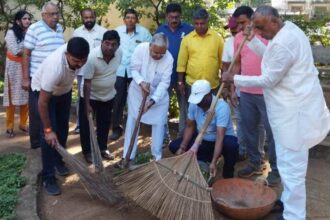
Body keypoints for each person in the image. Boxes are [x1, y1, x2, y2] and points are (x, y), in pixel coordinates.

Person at [222, 5, 330, 220]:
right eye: (257, 29)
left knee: (292, 172)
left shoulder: (284, 42)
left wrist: (235, 78)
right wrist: (252, 40)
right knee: (287, 165)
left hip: (295, 118)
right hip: (287, 116)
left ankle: (293, 216)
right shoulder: (287, 30)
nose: (260, 33)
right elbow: (270, 55)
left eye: (261, 28)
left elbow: (269, 79)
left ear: (273, 21)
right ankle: (288, 203)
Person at [31, 37, 89, 196]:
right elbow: (42, 103)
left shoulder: (79, 55)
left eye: (83, 60)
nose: (80, 64)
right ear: (67, 54)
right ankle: (48, 177)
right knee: (49, 137)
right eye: (76, 61)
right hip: (44, 93)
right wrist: (48, 129)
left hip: (63, 91)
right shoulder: (54, 67)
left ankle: (58, 161)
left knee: (62, 130)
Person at [231, 6, 279, 184]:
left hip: (268, 93)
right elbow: (236, 65)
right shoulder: (238, 38)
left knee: (273, 132)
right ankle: (255, 162)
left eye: (243, 22)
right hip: (245, 92)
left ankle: (276, 169)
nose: (241, 27)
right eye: (239, 23)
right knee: (250, 130)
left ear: (253, 20)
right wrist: (233, 90)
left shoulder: (268, 37)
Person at [169, 80, 238, 178]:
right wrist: (182, 147)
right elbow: (190, 126)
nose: (198, 103)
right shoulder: (194, 104)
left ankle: (227, 171)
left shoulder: (222, 107)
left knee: (231, 145)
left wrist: (214, 162)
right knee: (174, 146)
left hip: (221, 141)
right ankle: (203, 161)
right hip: (203, 140)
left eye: (201, 99)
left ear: (209, 94)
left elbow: (220, 136)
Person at [121, 33, 173, 163]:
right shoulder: (140, 49)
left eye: (162, 54)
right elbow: (134, 69)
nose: (158, 56)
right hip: (137, 93)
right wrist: (141, 82)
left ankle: (156, 158)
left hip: (158, 98)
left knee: (159, 125)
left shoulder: (169, 59)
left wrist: (151, 101)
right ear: (150, 46)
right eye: (155, 52)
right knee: (132, 121)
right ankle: (128, 156)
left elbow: (165, 83)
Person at [22, 1, 65, 149]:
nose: (55, 17)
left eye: (57, 13)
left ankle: (51, 145)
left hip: (54, 79)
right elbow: (26, 55)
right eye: (52, 14)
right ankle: (36, 145)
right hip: (38, 78)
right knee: (37, 113)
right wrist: (25, 78)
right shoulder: (34, 29)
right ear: (43, 15)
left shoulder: (59, 28)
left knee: (50, 113)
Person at [79, 30, 122, 163]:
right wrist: (86, 104)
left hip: (108, 96)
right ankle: (87, 152)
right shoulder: (91, 57)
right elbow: (87, 82)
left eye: (113, 44)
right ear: (102, 43)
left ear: (118, 45)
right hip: (90, 97)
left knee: (104, 124)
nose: (109, 47)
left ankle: (102, 148)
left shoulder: (119, 53)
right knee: (86, 126)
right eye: (107, 43)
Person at [110, 9, 152, 140]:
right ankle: (116, 128)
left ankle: (136, 126)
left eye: (133, 18)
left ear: (136, 20)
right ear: (124, 20)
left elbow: (150, 51)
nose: (130, 20)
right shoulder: (117, 31)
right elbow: (111, 48)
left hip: (137, 73)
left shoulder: (144, 33)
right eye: (127, 17)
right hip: (120, 71)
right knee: (118, 100)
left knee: (136, 100)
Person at [155, 3, 193, 138]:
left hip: (183, 76)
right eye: (171, 17)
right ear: (166, 17)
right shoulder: (160, 30)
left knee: (184, 106)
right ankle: (163, 135)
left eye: (177, 17)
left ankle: (182, 134)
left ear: (180, 16)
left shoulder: (189, 29)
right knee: (162, 105)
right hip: (165, 76)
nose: (174, 20)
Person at [73, 8, 107, 134]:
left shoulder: (103, 32)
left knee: (97, 98)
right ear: (82, 18)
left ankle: (97, 125)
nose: (88, 20)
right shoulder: (77, 32)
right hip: (81, 70)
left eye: (91, 17)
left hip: (98, 72)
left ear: (95, 17)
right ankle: (80, 124)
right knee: (81, 98)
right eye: (86, 18)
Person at [177, 8, 224, 99]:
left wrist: (224, 83)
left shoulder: (217, 38)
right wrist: (180, 82)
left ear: (207, 22)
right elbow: (181, 63)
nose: (199, 26)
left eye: (202, 23)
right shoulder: (187, 39)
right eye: (196, 24)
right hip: (192, 85)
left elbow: (223, 62)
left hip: (212, 86)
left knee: (213, 111)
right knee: (193, 112)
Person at [221, 16, 248, 160]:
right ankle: (241, 150)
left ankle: (256, 153)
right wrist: (228, 89)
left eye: (234, 29)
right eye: (230, 30)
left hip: (253, 87)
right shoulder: (229, 43)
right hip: (236, 87)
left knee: (255, 122)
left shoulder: (251, 40)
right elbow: (226, 68)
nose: (232, 32)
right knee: (239, 119)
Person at [3, 10, 31, 138]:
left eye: (28, 19)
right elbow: (16, 51)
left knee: (26, 97)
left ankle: (23, 124)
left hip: (26, 67)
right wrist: (30, 49)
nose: (27, 21)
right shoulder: (10, 33)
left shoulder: (30, 32)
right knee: (11, 98)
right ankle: (9, 126)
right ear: (18, 21)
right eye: (25, 19)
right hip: (13, 69)